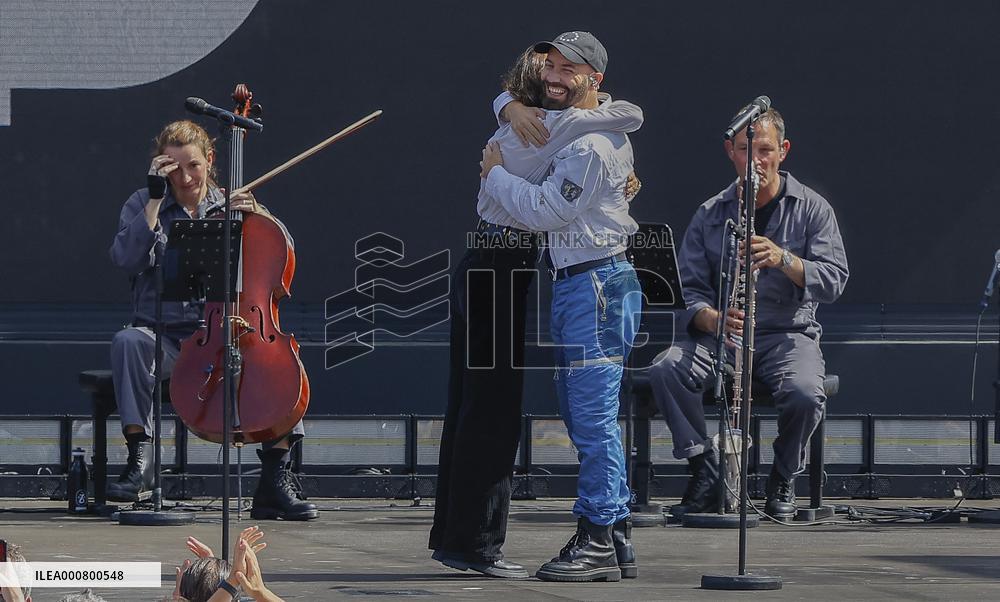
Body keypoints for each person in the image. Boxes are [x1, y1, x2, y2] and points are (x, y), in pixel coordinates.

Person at [429, 44, 643, 579]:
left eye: (567, 69)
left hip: (554, 272)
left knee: (555, 412)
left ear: (592, 79)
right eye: (549, 68)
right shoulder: (543, 127)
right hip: (511, 265)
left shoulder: (574, 135)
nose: (555, 77)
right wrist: (508, 109)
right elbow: (623, 117)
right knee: (496, 406)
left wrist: (495, 169)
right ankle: (478, 542)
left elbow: (623, 120)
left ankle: (602, 532)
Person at [108, 120, 317, 521]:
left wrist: (259, 215)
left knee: (280, 363)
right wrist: (154, 201)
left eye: (194, 166)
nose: (185, 178)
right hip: (165, 339)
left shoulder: (233, 202)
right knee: (129, 342)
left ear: (210, 160)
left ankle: (275, 479)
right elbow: (126, 259)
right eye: (174, 168)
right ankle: (141, 462)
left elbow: (281, 250)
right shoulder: (142, 202)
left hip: (226, 335)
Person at [647, 104, 849, 518]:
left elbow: (834, 280)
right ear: (730, 151)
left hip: (786, 333)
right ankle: (704, 469)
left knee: (805, 392)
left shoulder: (813, 209)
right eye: (745, 149)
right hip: (722, 335)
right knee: (666, 368)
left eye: (764, 150)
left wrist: (784, 259)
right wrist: (712, 319)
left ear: (783, 151)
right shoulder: (711, 213)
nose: (755, 160)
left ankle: (783, 476)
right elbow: (686, 290)